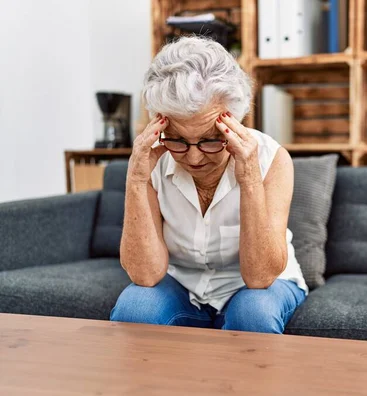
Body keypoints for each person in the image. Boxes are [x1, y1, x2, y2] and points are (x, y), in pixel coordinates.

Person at [110, 36, 308, 334]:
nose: (192, 156)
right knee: (134, 308)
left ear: (234, 122)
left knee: (253, 313)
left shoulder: (271, 159)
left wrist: (250, 178)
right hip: (181, 284)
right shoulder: (152, 159)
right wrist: (137, 180)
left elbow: (260, 277)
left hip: (256, 285)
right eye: (177, 138)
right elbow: (146, 275)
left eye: (210, 139)